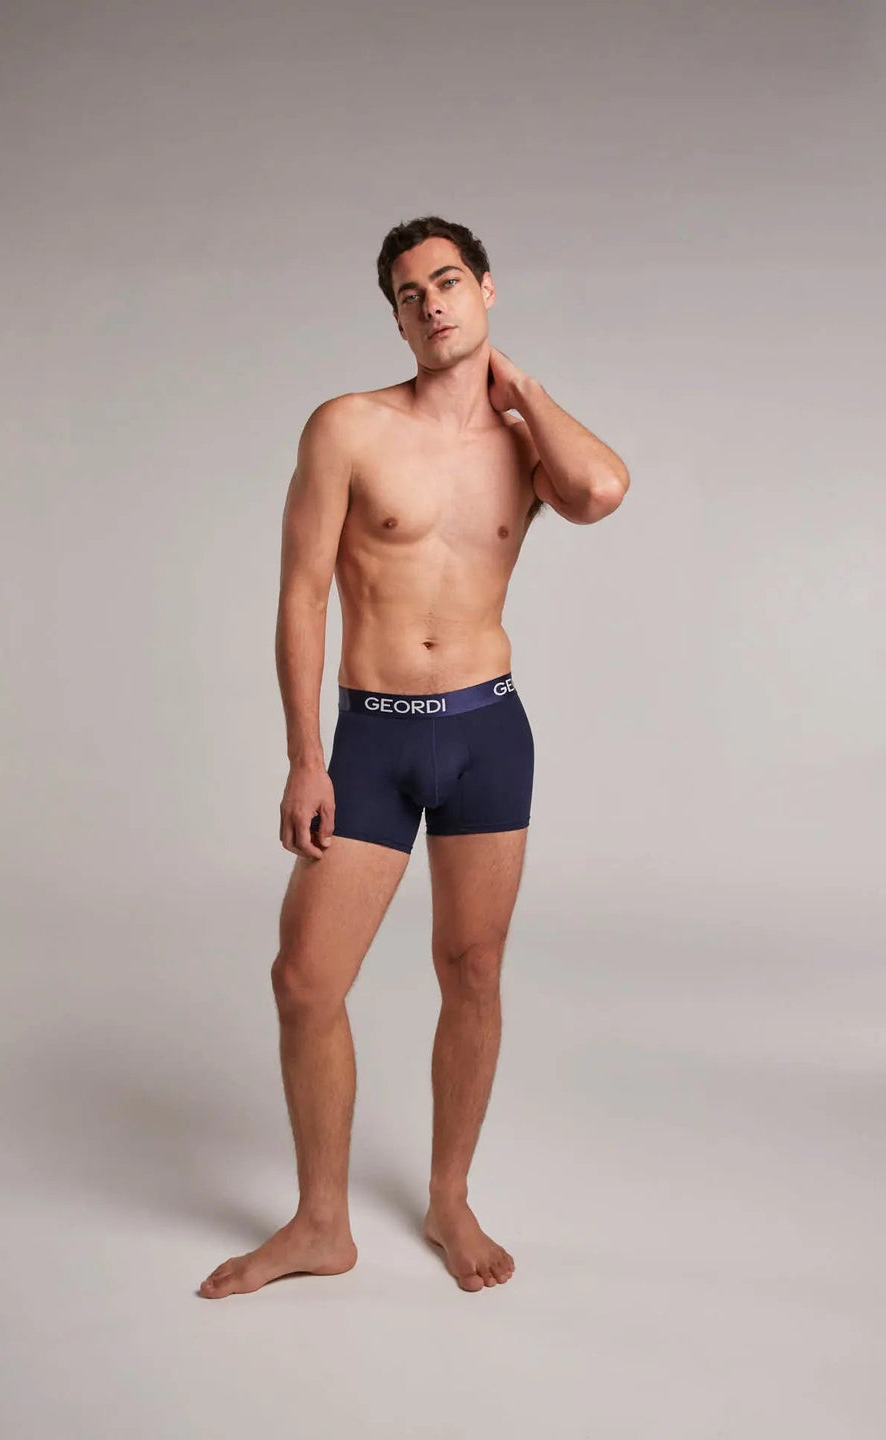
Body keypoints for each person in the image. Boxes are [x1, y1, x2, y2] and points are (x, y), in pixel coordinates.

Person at [198, 216, 629, 1298]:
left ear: (485, 290)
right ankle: (321, 1223)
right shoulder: (347, 426)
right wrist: (306, 757)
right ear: (394, 318)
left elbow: (601, 492)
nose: (430, 303)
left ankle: (449, 1198)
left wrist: (521, 389)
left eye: (447, 282)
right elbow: (301, 597)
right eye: (408, 293)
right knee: (306, 980)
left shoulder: (527, 444)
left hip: (488, 730)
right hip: (374, 735)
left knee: (472, 970)